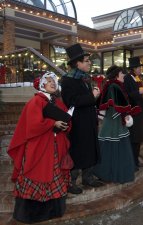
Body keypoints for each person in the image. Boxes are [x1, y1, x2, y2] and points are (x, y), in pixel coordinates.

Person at [7, 72, 71, 224]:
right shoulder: (36, 101)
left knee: (54, 176)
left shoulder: (58, 102)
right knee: (36, 176)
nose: (53, 83)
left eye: (54, 81)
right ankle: (32, 214)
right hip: (40, 148)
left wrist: (64, 125)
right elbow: (33, 126)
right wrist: (52, 123)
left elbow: (66, 120)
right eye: (49, 81)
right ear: (42, 84)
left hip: (53, 148)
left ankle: (52, 211)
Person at [61, 43, 103, 194]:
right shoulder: (67, 80)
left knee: (90, 149)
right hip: (78, 122)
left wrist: (96, 97)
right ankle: (71, 182)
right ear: (77, 63)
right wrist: (91, 96)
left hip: (89, 120)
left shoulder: (84, 79)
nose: (89, 63)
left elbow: (89, 99)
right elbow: (71, 101)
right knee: (77, 151)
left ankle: (88, 177)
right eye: (86, 61)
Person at [93, 65, 140, 183]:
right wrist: (124, 116)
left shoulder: (115, 86)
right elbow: (115, 107)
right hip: (114, 123)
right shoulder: (114, 86)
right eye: (121, 73)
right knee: (114, 148)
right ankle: (113, 174)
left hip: (116, 122)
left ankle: (110, 173)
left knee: (112, 147)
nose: (124, 75)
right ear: (116, 75)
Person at [124, 56, 143, 169]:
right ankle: (132, 162)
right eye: (139, 67)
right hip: (134, 112)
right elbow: (129, 94)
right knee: (134, 139)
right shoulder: (128, 78)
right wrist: (139, 92)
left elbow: (140, 94)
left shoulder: (137, 78)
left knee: (138, 139)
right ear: (134, 68)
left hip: (140, 112)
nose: (141, 69)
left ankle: (136, 160)